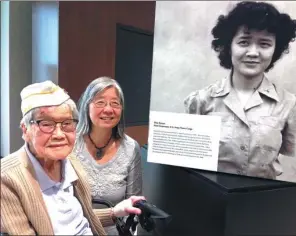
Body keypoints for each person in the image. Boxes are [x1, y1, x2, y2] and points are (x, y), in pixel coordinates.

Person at [0, 80, 144, 235]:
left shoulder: (68, 161)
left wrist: (114, 212)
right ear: (25, 130)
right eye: (46, 124)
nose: (59, 135)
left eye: (67, 123)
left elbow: (77, 218)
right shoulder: (7, 178)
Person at [184, 1, 296, 180]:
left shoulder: (289, 104)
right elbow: (188, 157)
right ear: (229, 46)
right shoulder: (200, 100)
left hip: (261, 201)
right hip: (209, 197)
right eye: (244, 42)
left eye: (264, 44)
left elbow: (289, 149)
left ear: (276, 49)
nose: (253, 52)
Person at [73, 77, 142, 235]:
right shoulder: (70, 144)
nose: (108, 109)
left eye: (115, 103)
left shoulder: (131, 148)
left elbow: (134, 205)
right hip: (75, 229)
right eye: (100, 102)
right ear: (86, 106)